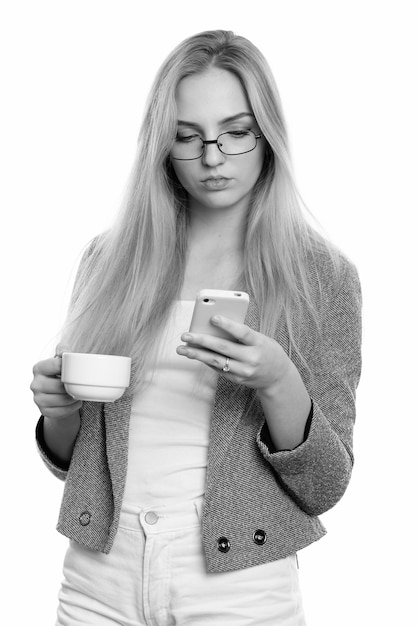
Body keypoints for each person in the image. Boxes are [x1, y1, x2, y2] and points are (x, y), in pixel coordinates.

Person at [31, 29, 362, 626]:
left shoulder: (319, 275)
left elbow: (327, 484)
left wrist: (278, 380)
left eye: (235, 133)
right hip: (98, 576)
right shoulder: (109, 263)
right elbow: (71, 460)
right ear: (161, 145)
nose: (213, 158)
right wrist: (60, 412)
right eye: (188, 137)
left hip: (238, 583)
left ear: (268, 137)